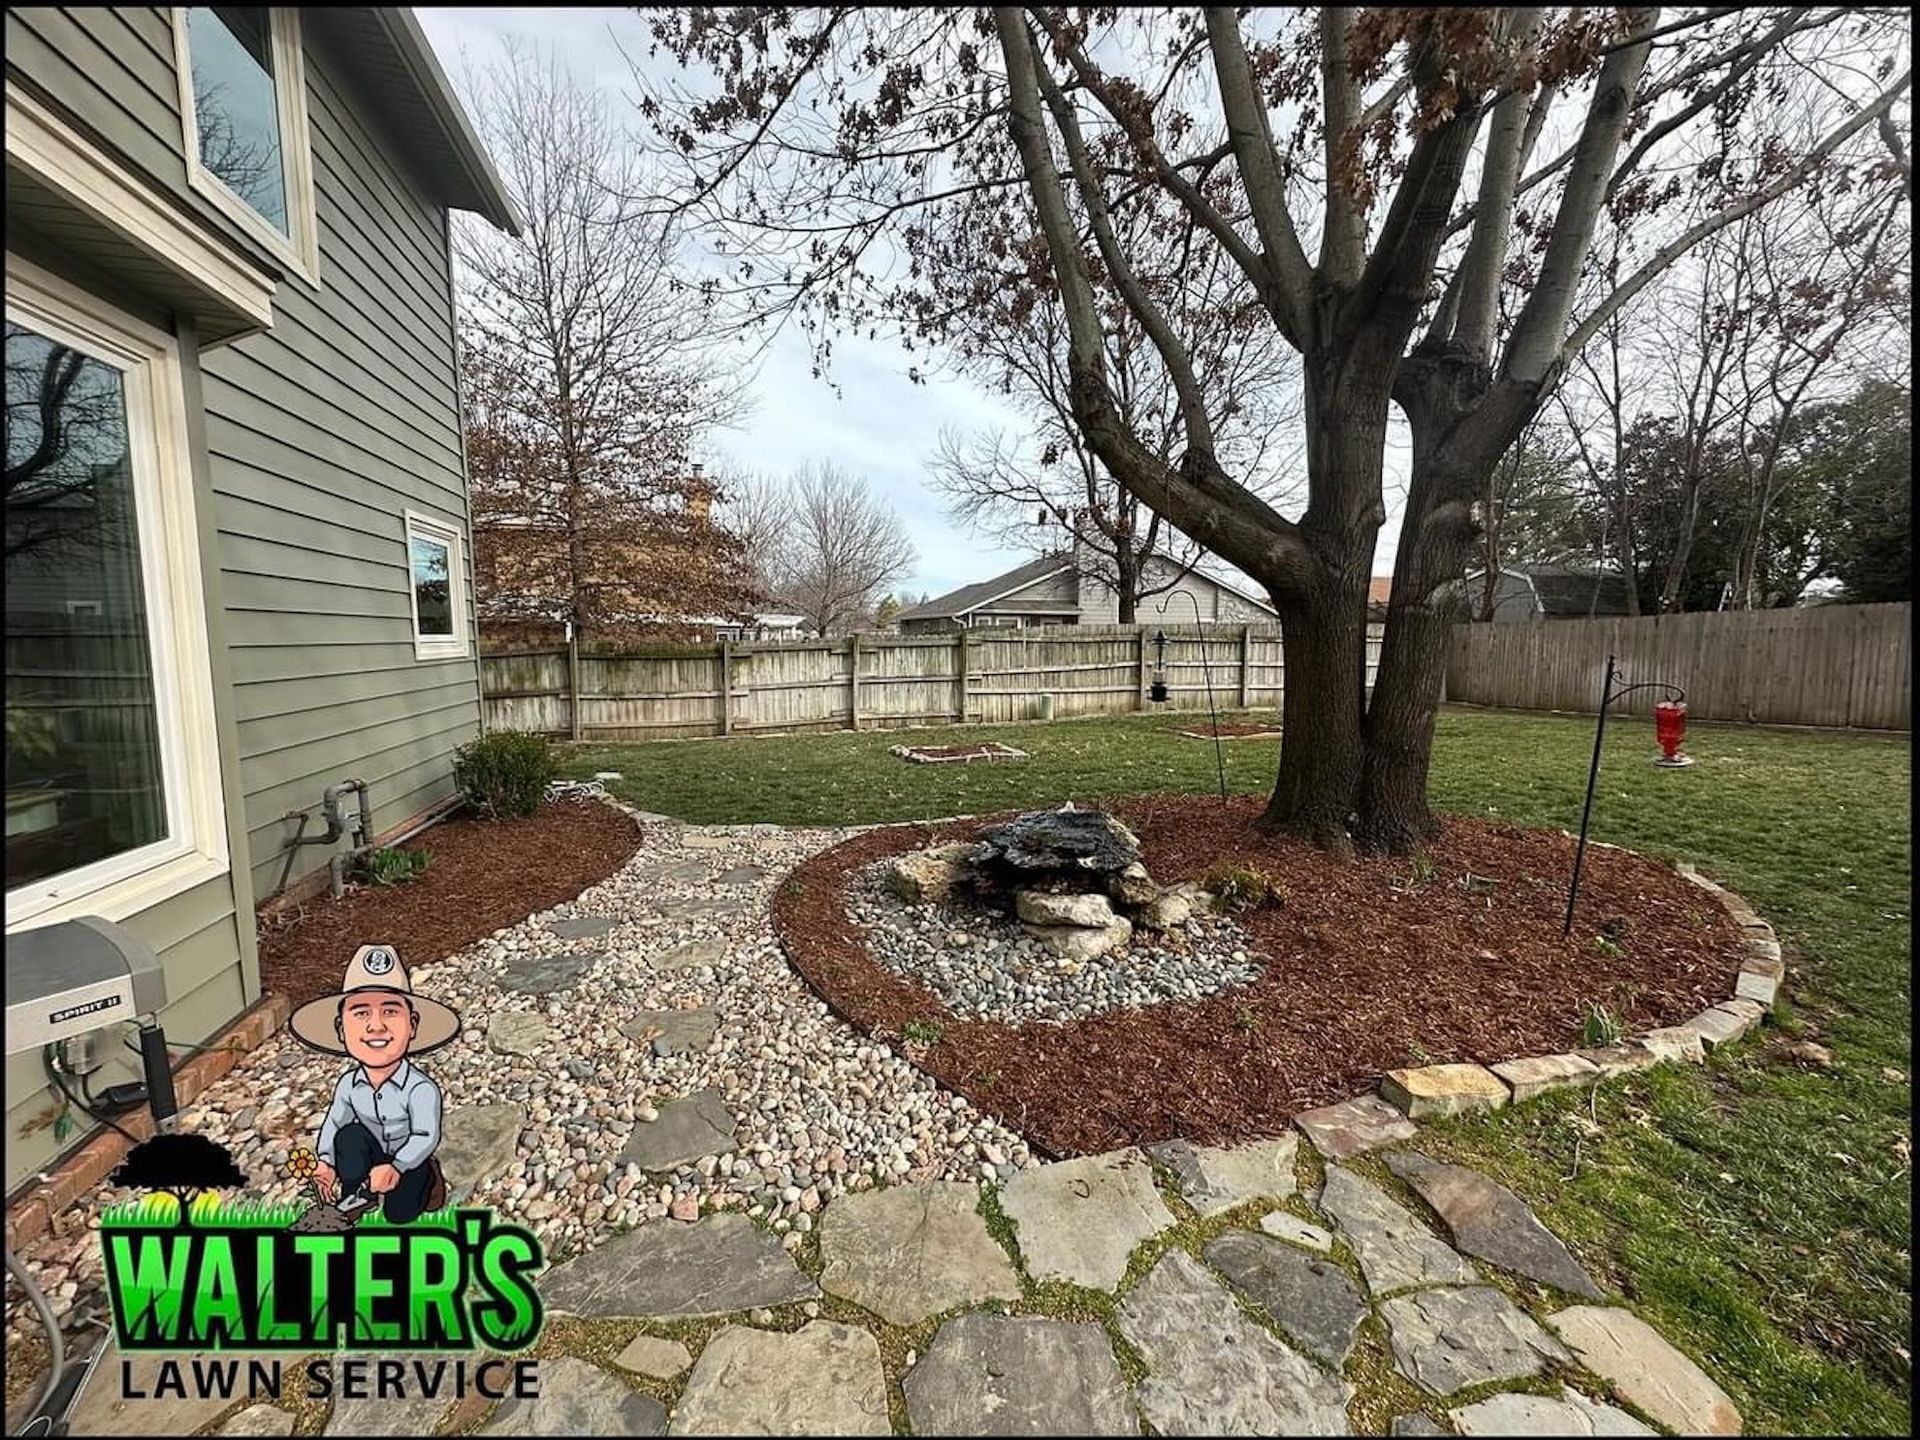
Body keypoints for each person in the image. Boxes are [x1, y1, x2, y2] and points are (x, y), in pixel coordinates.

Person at [287, 944, 461, 1225]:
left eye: (390, 1012)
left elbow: (425, 1135)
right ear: (342, 1030)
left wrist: (396, 1166)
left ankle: (429, 1179)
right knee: (348, 1137)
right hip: (373, 1149)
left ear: (412, 1025)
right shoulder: (349, 1085)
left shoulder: (420, 1089)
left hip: (407, 1158)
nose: (375, 1026)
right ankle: (357, 1195)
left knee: (399, 1215)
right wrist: (325, 1162)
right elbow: (334, 1121)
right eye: (360, 1013)